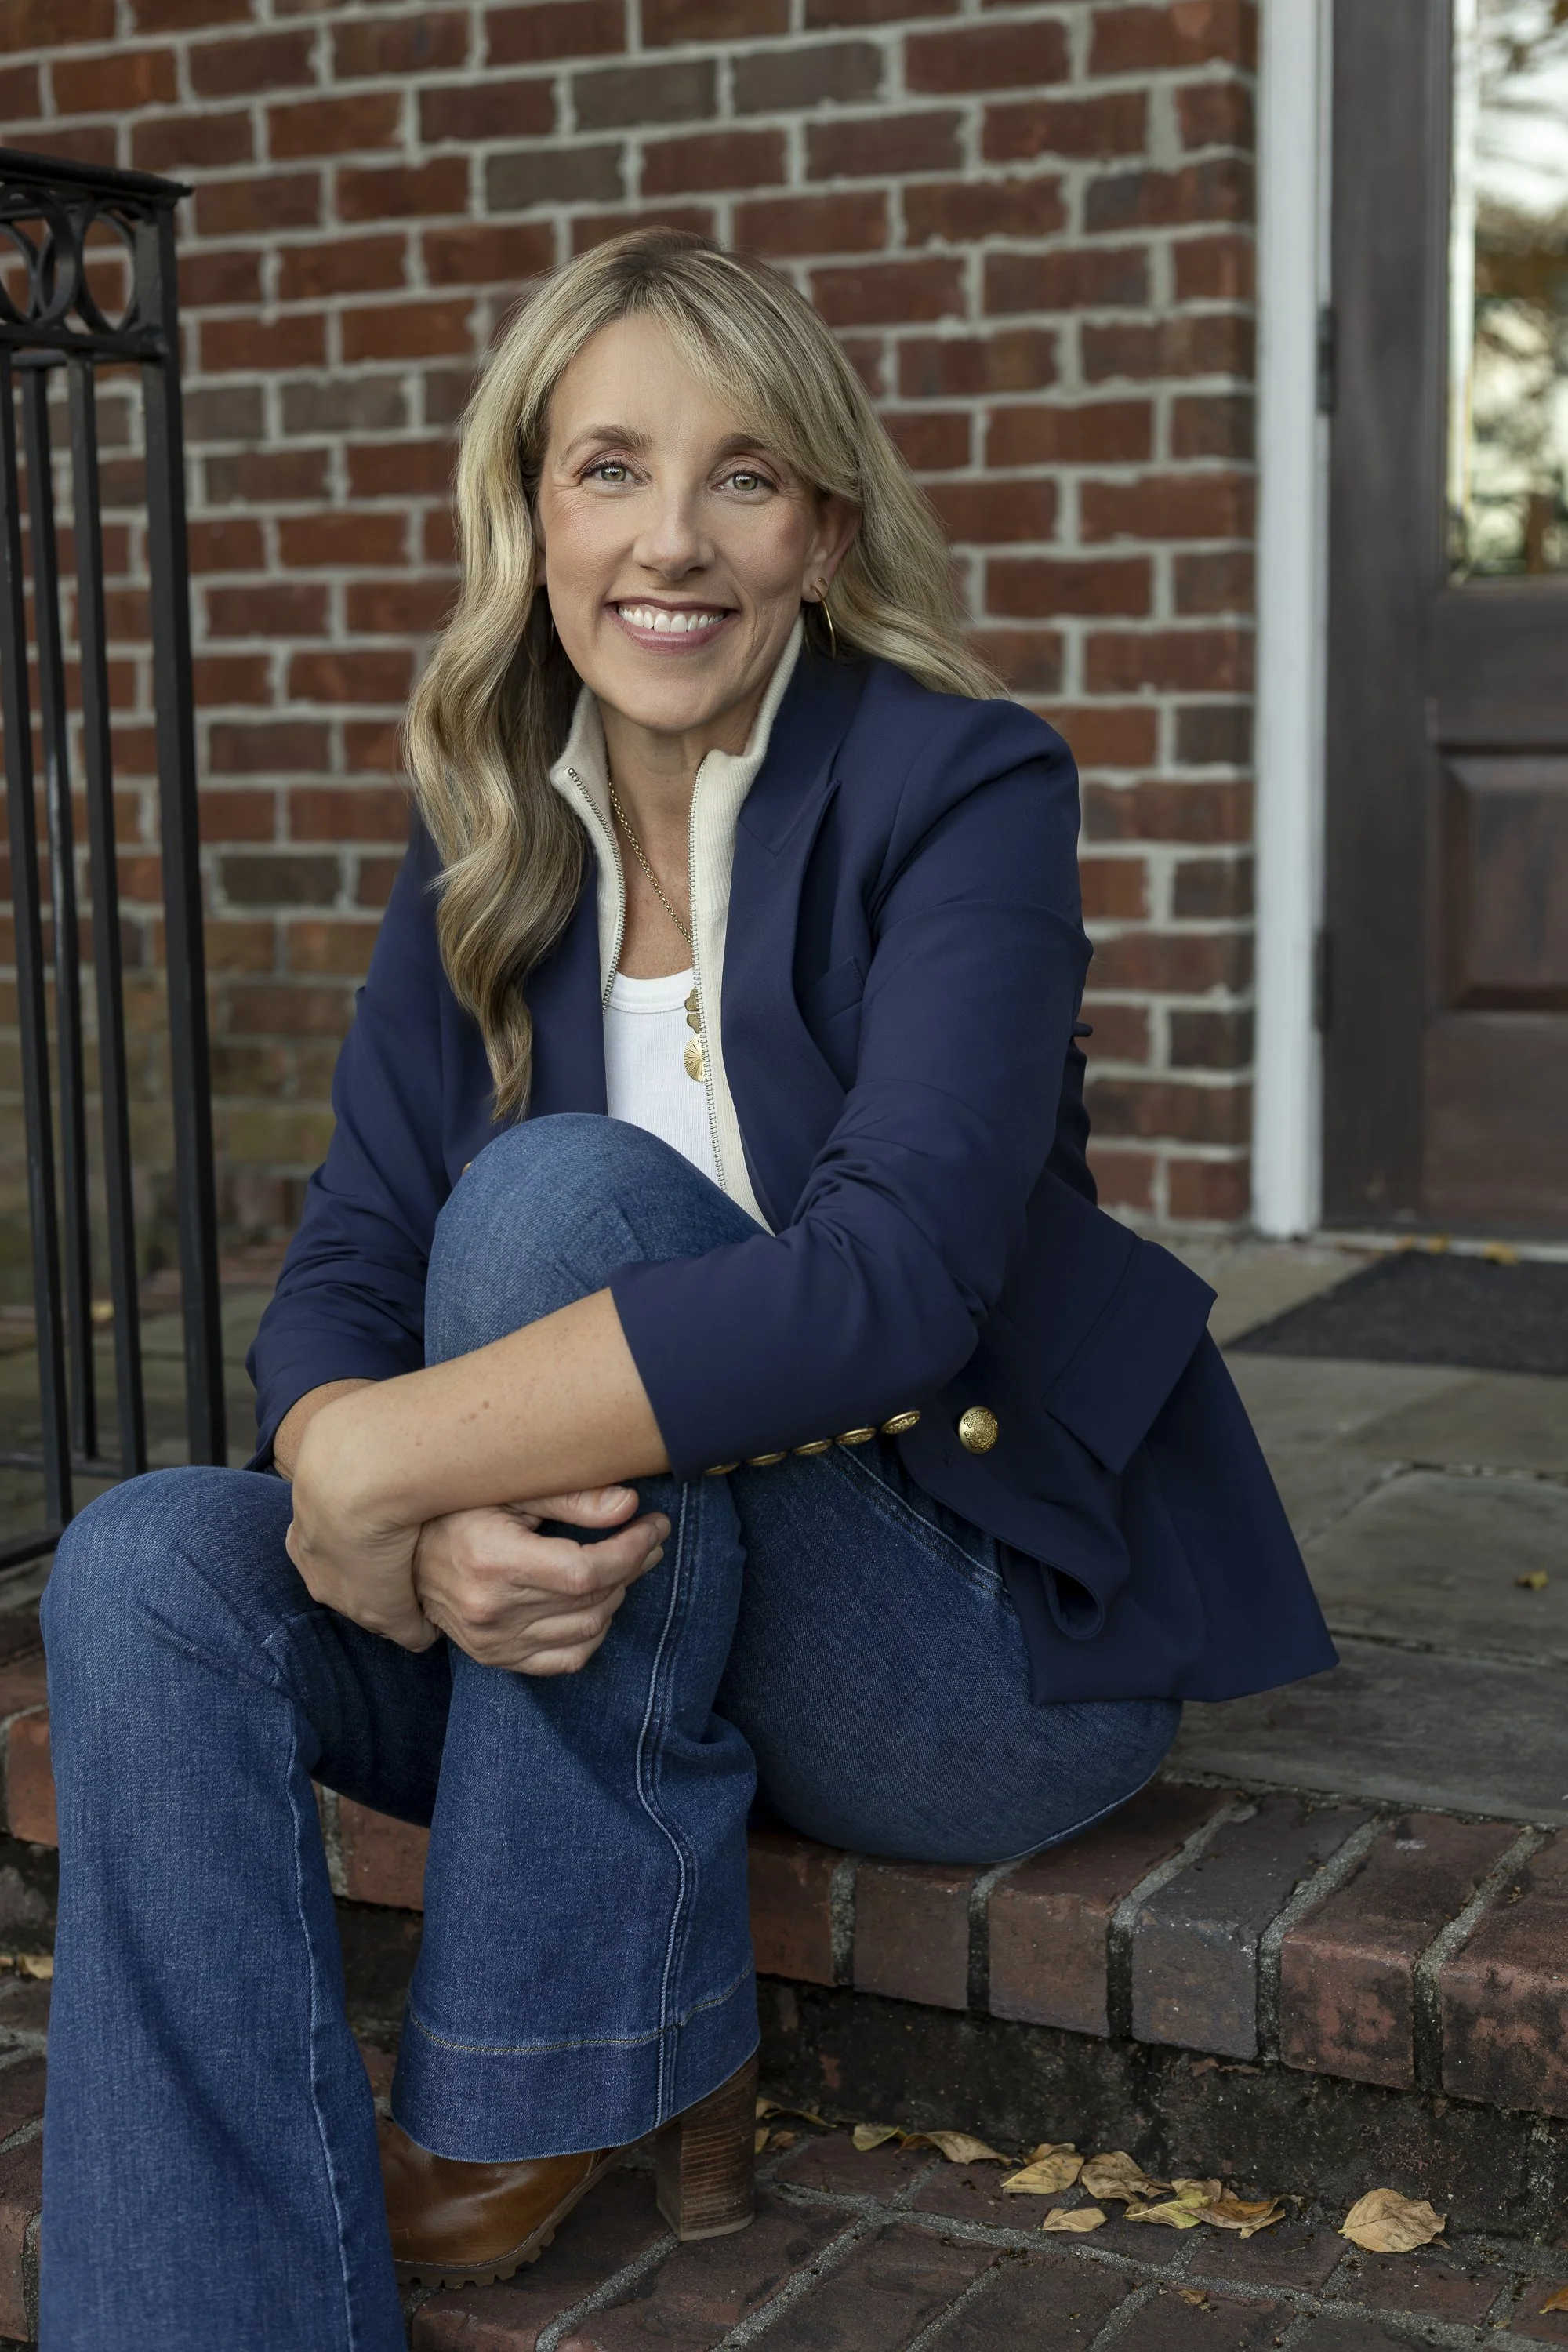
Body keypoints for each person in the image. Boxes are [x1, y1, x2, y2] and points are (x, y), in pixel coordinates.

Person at [38, 229, 1334, 2351]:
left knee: (558, 1209)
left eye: (742, 478)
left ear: (823, 528)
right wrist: (337, 1460)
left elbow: (894, 1285)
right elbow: (349, 1261)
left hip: (953, 1642)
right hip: (584, 1603)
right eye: (611, 468)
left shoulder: (961, 785)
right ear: (529, 511)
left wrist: (393, 1461)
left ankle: (535, 2063)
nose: (673, 538)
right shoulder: (478, 830)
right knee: (137, 1576)